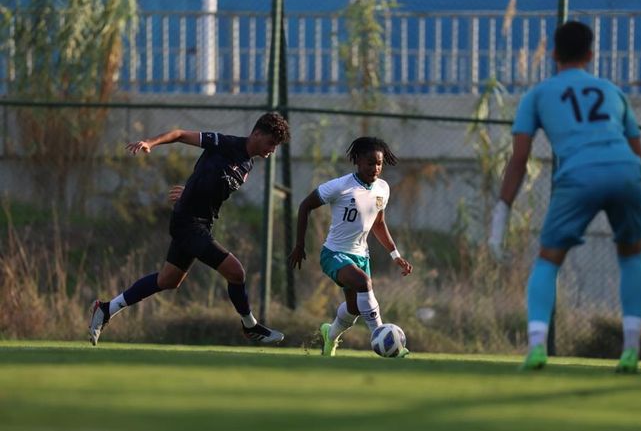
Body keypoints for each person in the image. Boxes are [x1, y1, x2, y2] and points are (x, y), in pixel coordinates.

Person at [488, 21, 641, 373]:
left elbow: (519, 159)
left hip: (579, 175)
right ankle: (632, 349)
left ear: (553, 53)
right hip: (626, 172)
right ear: (591, 55)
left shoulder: (538, 94)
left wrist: (501, 211)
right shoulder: (612, 92)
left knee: (548, 260)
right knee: (631, 254)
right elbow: (640, 158)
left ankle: (535, 347)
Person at [89, 112, 291, 346]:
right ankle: (250, 326)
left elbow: (210, 182)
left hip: (201, 222)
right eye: (271, 143)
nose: (272, 149)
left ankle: (105, 309)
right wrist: (150, 142)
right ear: (256, 134)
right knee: (236, 272)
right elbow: (180, 134)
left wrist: (190, 191)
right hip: (188, 222)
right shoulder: (226, 144)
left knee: (168, 280)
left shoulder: (248, 164)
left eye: (276, 146)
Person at [288, 137, 413, 357]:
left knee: (354, 308)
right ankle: (383, 338)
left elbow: (379, 224)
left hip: (360, 256)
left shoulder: (383, 189)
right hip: (334, 254)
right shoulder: (340, 186)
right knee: (364, 283)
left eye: (379, 163)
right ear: (357, 161)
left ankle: (330, 336)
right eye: (370, 163)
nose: (375, 168)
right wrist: (299, 244)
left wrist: (396, 255)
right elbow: (305, 205)